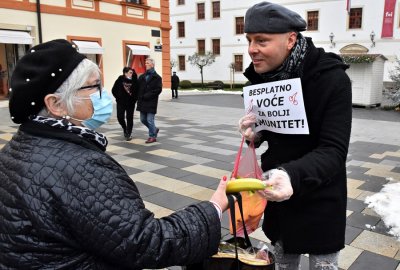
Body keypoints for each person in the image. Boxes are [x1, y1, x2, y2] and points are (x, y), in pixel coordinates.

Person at [0, 39, 229, 269]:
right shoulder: (81, 167)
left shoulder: (16, 148)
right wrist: (213, 209)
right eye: (92, 87)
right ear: (56, 104)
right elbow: (145, 242)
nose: (102, 95)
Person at [238, 2, 352, 270]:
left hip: (320, 198)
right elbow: (277, 130)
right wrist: (254, 135)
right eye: (249, 40)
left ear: (290, 40)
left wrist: (291, 175)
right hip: (279, 202)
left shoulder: (332, 79)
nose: (252, 49)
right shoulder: (265, 77)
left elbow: (334, 150)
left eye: (262, 40)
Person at [137, 57, 162, 144]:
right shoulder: (142, 76)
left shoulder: (157, 77)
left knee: (150, 120)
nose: (146, 64)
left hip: (151, 102)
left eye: (147, 63)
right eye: (146, 63)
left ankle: (152, 136)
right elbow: (137, 87)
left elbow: (158, 90)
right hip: (142, 102)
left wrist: (147, 95)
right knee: (143, 119)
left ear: (152, 65)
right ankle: (154, 129)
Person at [112, 66, 138, 141]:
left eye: (132, 72)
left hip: (130, 103)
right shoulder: (120, 79)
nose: (131, 74)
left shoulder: (135, 80)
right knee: (120, 117)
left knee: (129, 118)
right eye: (130, 72)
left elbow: (137, 91)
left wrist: (134, 99)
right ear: (125, 73)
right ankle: (125, 128)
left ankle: (128, 133)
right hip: (121, 102)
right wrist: (118, 97)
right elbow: (113, 90)